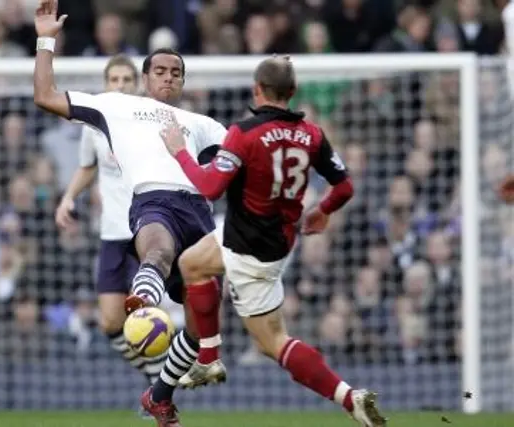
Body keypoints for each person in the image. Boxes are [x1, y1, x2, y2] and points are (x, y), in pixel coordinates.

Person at [158, 57, 387, 427]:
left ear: (256, 89)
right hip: (276, 239)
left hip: (247, 249)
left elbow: (209, 187)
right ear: (293, 92)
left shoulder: (243, 133)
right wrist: (322, 210)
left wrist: (179, 151)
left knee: (273, 342)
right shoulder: (313, 134)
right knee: (191, 263)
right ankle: (209, 357)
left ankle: (348, 396)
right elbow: (344, 187)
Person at [32, 2, 226, 425]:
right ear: (145, 77)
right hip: (152, 201)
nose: (168, 78)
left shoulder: (204, 124)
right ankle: (145, 304)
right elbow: (45, 96)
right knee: (156, 248)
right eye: (160, 71)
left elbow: (236, 166)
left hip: (200, 213)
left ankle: (159, 396)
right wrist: (46, 39)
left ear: (183, 81)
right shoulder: (116, 107)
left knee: (200, 323)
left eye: (176, 73)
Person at [55, 54, 167, 405]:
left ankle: (161, 390)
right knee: (109, 323)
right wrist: (68, 197)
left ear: (136, 84)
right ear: (105, 85)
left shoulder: (151, 123)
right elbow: (87, 167)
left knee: (143, 317)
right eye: (113, 80)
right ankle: (156, 379)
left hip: (144, 233)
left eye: (125, 80)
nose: (119, 86)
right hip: (110, 234)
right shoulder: (95, 125)